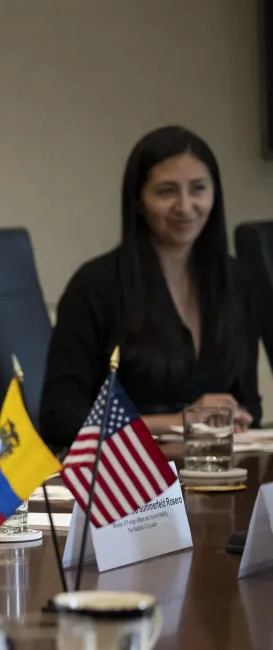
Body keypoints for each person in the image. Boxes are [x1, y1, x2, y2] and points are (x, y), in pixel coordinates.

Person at [41, 125, 262, 448]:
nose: (185, 207)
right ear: (139, 201)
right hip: (125, 478)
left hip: (219, 469)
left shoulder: (237, 282)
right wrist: (178, 423)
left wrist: (235, 416)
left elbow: (250, 405)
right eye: (166, 191)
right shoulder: (95, 285)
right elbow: (60, 419)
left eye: (198, 189)